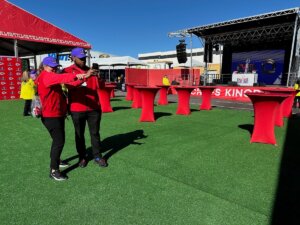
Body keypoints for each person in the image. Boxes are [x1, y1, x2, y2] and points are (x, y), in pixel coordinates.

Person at [36, 56, 90, 181]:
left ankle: (57, 160)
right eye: (52, 66)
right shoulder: (46, 76)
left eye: (56, 67)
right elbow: (61, 78)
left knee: (57, 141)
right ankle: (54, 170)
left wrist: (83, 78)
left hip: (56, 114)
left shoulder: (50, 76)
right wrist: (77, 75)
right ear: (44, 66)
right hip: (51, 116)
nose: (54, 69)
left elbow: (67, 84)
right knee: (59, 142)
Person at [63, 47, 108, 168]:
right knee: (79, 134)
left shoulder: (91, 70)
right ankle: (82, 157)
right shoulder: (67, 70)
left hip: (94, 108)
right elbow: (70, 86)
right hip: (77, 109)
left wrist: (99, 77)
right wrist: (85, 76)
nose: (83, 60)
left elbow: (101, 87)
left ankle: (97, 156)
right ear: (73, 58)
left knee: (95, 133)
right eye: (80, 58)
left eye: (84, 58)